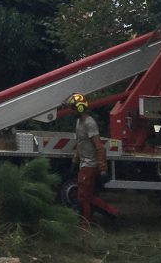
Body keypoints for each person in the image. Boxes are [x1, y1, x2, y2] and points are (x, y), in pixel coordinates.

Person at [68, 92, 118, 224]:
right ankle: (110, 214)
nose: (71, 111)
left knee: (84, 196)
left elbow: (99, 147)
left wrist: (102, 169)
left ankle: (89, 222)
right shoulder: (79, 123)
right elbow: (80, 144)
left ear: (79, 107)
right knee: (86, 196)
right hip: (84, 164)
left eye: (73, 108)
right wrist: (75, 160)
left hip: (90, 165)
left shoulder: (89, 123)